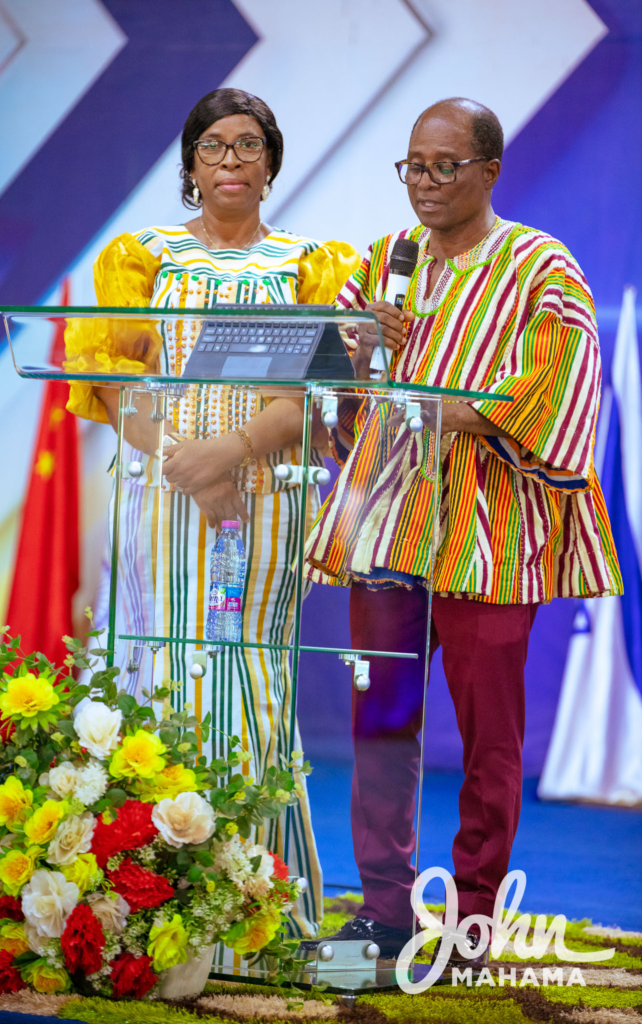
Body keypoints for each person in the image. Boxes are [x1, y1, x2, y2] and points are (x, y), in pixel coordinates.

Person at [304, 98, 622, 962]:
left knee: (489, 735)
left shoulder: (538, 265)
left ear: (488, 170)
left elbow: (564, 376)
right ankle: (384, 907)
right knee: (381, 723)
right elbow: (330, 392)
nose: (425, 183)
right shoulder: (382, 262)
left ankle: (474, 916)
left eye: (445, 166)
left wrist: (461, 415)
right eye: (412, 165)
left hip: (492, 531)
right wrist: (363, 350)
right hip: (389, 528)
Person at [65, 88, 360, 946]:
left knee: (249, 673)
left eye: (247, 146)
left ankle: (252, 910)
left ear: (271, 161)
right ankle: (154, 903)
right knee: (163, 662)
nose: (230, 162)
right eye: (213, 148)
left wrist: (227, 457)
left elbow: (322, 391)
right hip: (160, 496)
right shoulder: (137, 257)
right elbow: (107, 379)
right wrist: (184, 466)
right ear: (189, 165)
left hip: (265, 498)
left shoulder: (315, 263)